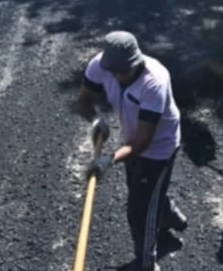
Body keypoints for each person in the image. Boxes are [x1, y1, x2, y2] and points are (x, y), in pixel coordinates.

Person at [75, 31, 187, 271]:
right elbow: (83, 99)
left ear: (136, 61)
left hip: (159, 147)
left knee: (140, 210)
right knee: (142, 189)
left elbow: (145, 140)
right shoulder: (100, 65)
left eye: (123, 70)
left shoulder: (154, 81)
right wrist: (95, 121)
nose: (117, 75)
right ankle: (167, 214)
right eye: (113, 70)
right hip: (132, 140)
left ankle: (147, 263)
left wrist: (110, 159)